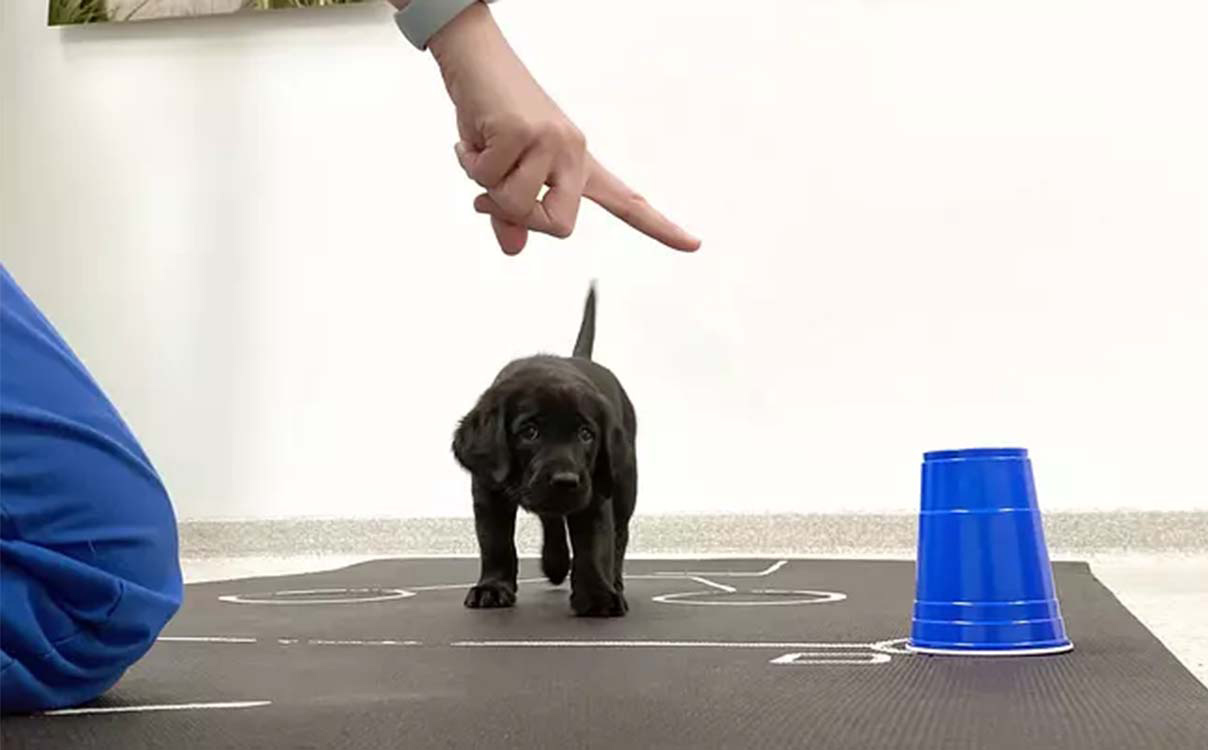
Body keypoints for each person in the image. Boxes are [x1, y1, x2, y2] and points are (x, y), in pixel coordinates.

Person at [0, 0, 698, 714]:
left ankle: (588, 569)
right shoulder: (491, 440)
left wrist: (459, 31)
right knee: (92, 594)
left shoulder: (599, 419)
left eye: (580, 437)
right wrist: (498, 569)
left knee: (93, 586)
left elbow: (603, 485)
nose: (559, 455)